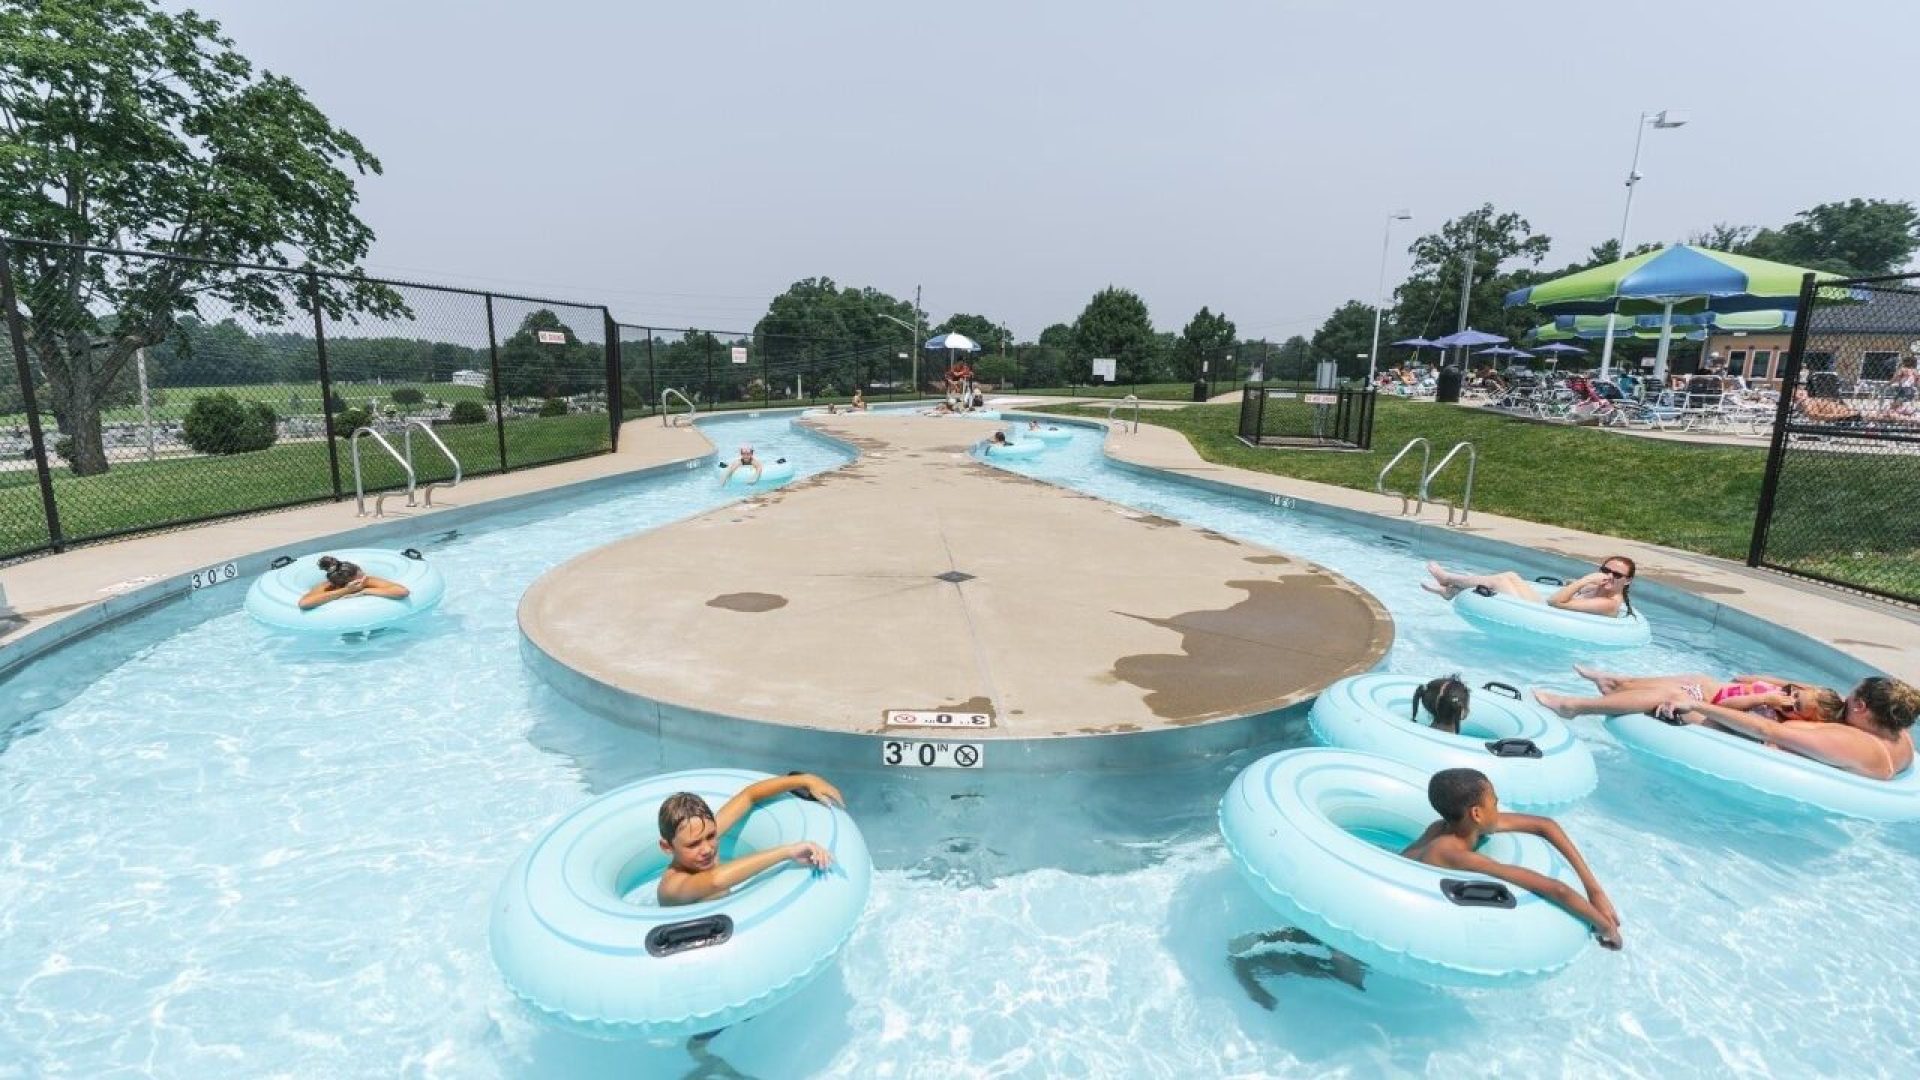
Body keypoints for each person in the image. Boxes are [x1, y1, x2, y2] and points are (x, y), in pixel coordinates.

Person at [1402, 768, 1623, 950]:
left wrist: (1595, 891)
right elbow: (1557, 890)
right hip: (1408, 918)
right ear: (1477, 814)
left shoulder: (1443, 828)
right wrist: (1606, 927)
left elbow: (1545, 825)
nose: (1498, 810)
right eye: (1495, 804)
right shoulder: (1455, 855)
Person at [1652, 676, 1918, 781]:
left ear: (1860, 706)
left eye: (1850, 699)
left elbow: (1766, 731)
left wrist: (1697, 706)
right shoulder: (1899, 735)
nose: (1843, 701)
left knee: (1683, 705)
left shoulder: (1851, 741)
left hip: (1765, 759)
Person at [657, 773, 844, 906]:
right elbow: (715, 881)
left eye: (712, 836)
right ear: (667, 847)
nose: (707, 849)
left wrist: (806, 779)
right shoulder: (672, 886)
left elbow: (749, 796)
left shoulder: (701, 836)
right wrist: (787, 851)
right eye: (693, 844)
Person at [1534, 666, 1843, 725]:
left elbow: (1726, 706)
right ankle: (1619, 683)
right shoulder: (1782, 692)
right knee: (1695, 678)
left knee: (1672, 691)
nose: (1789, 698)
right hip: (1713, 693)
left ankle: (1574, 706)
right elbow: (1742, 678)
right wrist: (1782, 685)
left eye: (1795, 705)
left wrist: (1766, 700)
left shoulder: (1773, 713)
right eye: (1793, 692)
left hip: (1713, 713)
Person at [1423, 555, 1637, 619]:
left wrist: (1583, 580)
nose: (1608, 576)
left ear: (1627, 581)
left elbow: (1556, 602)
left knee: (1499, 582)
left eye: (1616, 575)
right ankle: (1451, 589)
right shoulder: (1598, 588)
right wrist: (1578, 585)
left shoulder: (1609, 603)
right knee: (1510, 575)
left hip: (1548, 617)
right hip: (1548, 612)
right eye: (1605, 570)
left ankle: (1447, 578)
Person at [298, 555, 410, 610]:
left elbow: (402, 592)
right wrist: (346, 591)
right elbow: (304, 604)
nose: (364, 574)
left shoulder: (367, 582)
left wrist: (365, 591)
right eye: (360, 573)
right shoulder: (328, 587)